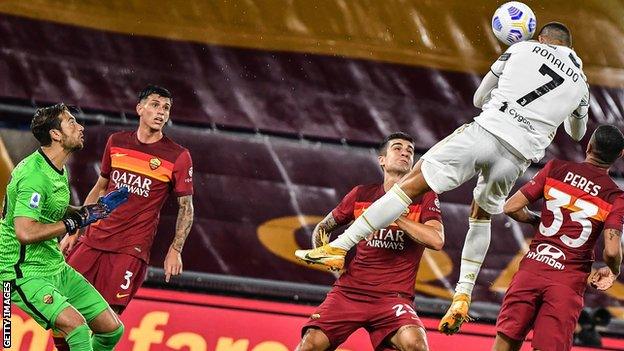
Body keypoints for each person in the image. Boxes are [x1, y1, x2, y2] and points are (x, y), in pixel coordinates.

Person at [295, 22, 589, 334]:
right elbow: (577, 133)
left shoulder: (521, 48)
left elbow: (478, 99)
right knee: (481, 217)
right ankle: (463, 295)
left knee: (411, 185)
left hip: (485, 132)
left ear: (541, 38)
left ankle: (340, 246)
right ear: (569, 46)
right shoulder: (581, 84)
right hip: (516, 157)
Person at [54, 85, 194, 349]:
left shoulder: (178, 156)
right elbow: (101, 187)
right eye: (154, 104)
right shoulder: (117, 142)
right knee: (62, 308)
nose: (160, 112)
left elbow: (186, 206)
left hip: (130, 250)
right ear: (139, 108)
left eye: (166, 108)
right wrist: (75, 230)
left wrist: (176, 248)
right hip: (93, 241)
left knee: (107, 322)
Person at [296, 132, 444, 351]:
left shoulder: (425, 197)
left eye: (410, 150)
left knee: (416, 345)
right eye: (397, 147)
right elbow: (323, 227)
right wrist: (327, 259)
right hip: (349, 293)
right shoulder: (361, 194)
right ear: (382, 160)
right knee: (309, 345)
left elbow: (436, 240)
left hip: (393, 298)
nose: (405, 152)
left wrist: (393, 214)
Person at [0, 103, 129, 351]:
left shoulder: (57, 167)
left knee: (112, 330)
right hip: (21, 273)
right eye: (71, 122)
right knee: (77, 328)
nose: (80, 127)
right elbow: (25, 232)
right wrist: (74, 222)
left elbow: (52, 209)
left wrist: (88, 212)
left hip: (54, 267)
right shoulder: (34, 176)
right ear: (55, 134)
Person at [493, 125, 624, 351]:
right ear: (619, 156)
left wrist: (537, 221)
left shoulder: (555, 168)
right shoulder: (615, 196)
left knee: (506, 342)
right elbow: (612, 251)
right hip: (567, 282)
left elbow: (511, 207)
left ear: (589, 146)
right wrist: (613, 270)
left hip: (532, 270)